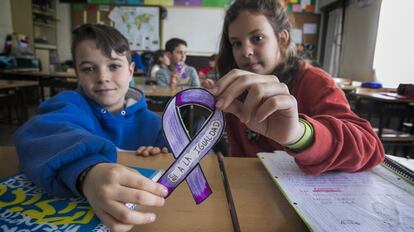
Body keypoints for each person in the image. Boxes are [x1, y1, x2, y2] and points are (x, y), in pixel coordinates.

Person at [14, 24, 169, 231]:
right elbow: (39, 134)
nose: (102, 77)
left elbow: (173, 160)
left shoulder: (153, 122)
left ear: (131, 71)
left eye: (114, 66)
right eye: (88, 69)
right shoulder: (70, 104)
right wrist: (87, 172)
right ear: (77, 74)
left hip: (143, 213)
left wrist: (160, 153)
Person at [210, 0, 384, 174]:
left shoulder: (314, 82)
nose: (246, 51)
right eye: (236, 43)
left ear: (282, 39)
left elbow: (370, 149)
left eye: (257, 38)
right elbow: (241, 161)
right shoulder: (237, 90)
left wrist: (299, 134)